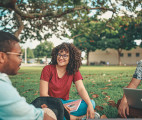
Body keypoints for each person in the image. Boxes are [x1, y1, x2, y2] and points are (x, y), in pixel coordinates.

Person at [0, 31, 63, 120]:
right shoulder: (3, 88)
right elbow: (37, 116)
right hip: (45, 108)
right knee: (52, 110)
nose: (21, 60)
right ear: (2, 57)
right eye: (18, 55)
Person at [40, 42, 100, 120]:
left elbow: (81, 89)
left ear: (71, 57)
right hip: (50, 103)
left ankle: (64, 116)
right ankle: (78, 118)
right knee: (48, 113)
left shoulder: (73, 70)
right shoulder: (47, 69)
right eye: (59, 54)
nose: (61, 58)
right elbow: (43, 94)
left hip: (65, 104)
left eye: (65, 55)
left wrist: (90, 106)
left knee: (91, 103)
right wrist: (60, 106)